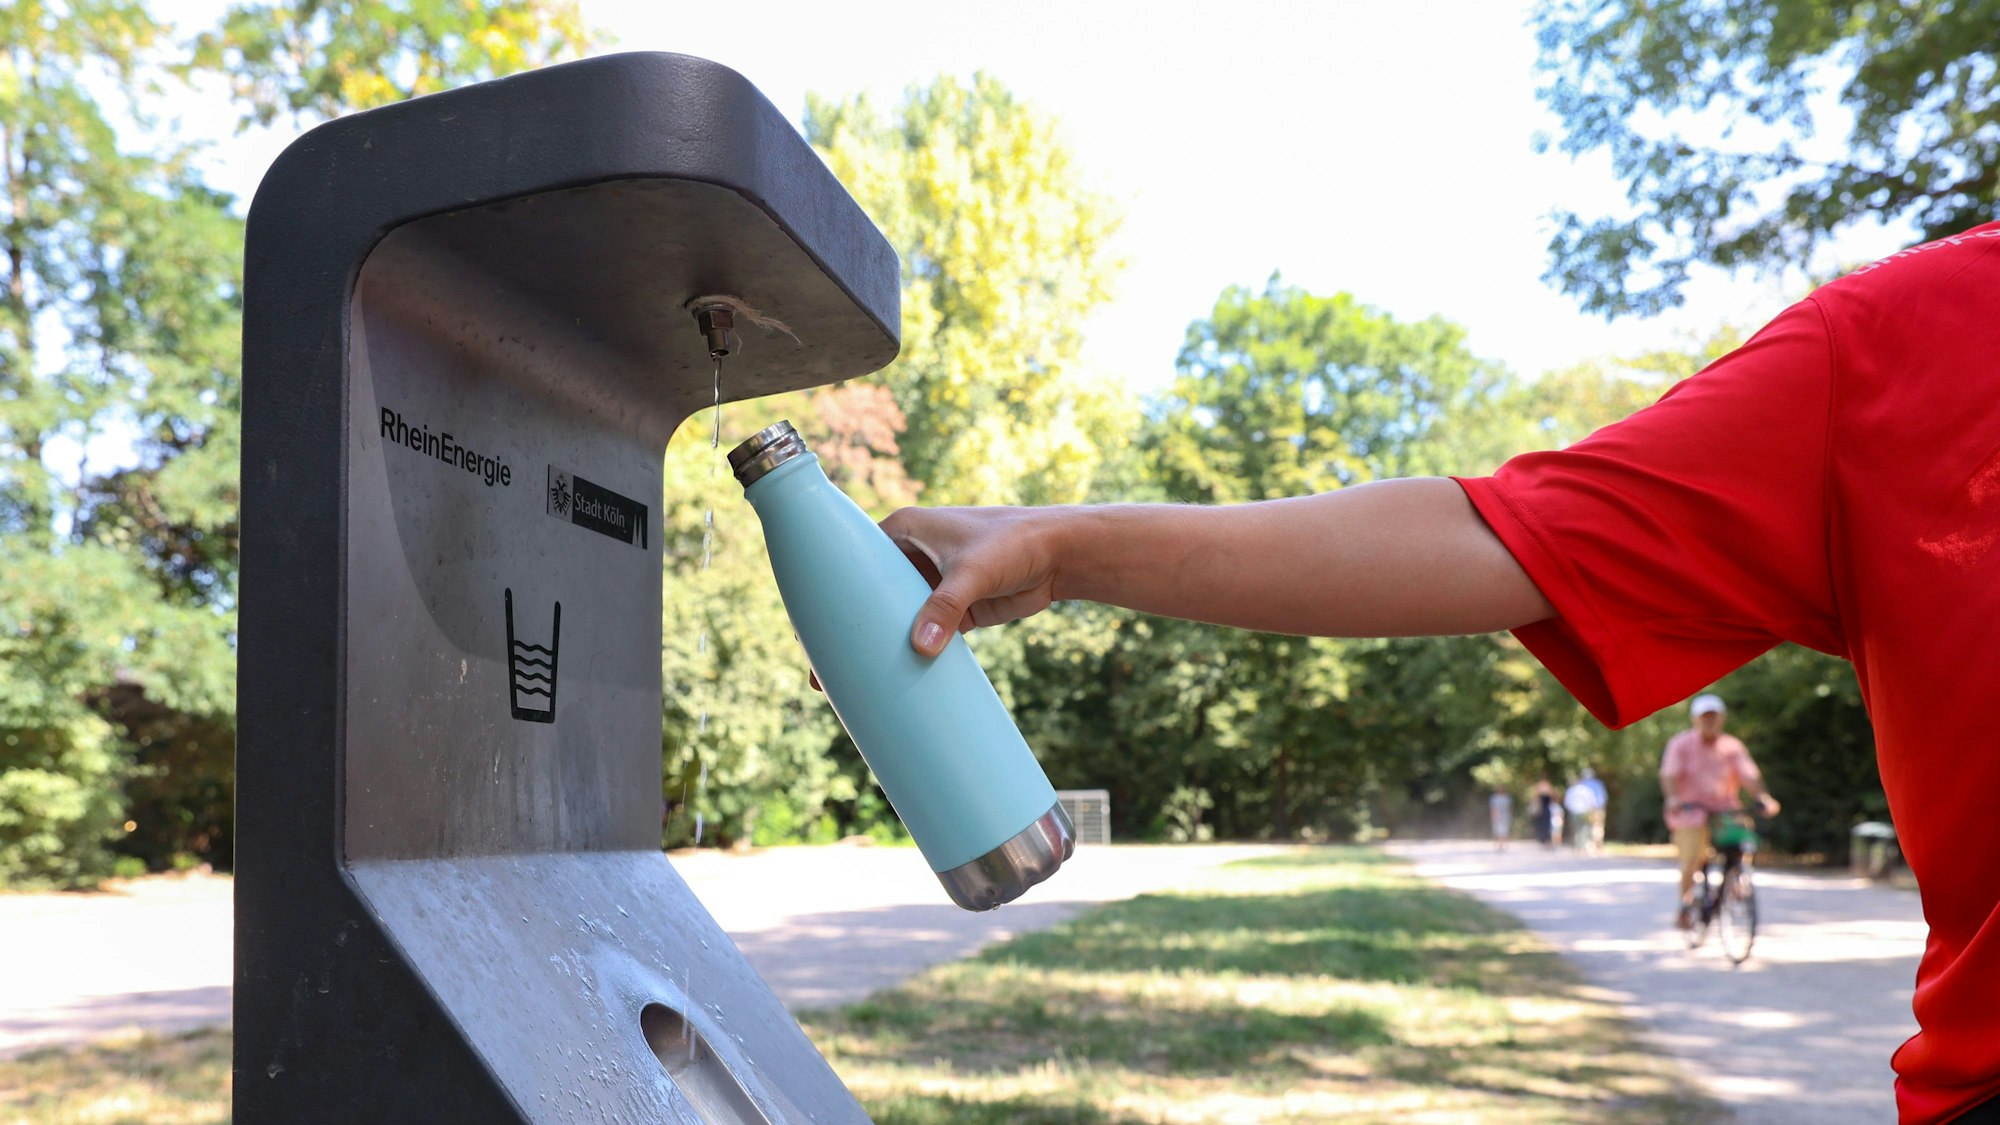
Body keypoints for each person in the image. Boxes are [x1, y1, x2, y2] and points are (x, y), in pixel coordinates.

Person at [876, 223, 2000, 1122]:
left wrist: (1753, 793)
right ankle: (1688, 900)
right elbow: (1502, 537)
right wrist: (1063, 544)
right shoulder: (1915, 339)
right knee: (1700, 853)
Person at [1661, 695, 1778, 926]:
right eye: (1705, 717)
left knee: (1744, 837)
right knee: (1692, 859)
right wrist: (1673, 798)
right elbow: (1669, 774)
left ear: (1721, 718)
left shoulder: (1731, 746)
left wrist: (1763, 798)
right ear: (1695, 719)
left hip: (1725, 811)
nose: (1709, 721)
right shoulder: (1681, 744)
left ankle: (1737, 879)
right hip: (1690, 811)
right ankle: (1685, 905)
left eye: (1713, 716)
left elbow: (1749, 774)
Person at [1563, 768, 1607, 854]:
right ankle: (1596, 846)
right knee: (1595, 827)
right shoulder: (1597, 784)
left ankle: (1584, 846)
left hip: (1584, 810)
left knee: (1582, 828)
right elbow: (1602, 797)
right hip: (1595, 808)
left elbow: (1568, 802)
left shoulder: (1581, 785)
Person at [1531, 778, 1557, 848]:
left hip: (1545, 810)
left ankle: (1546, 840)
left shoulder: (1546, 792)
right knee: (1543, 826)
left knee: (1546, 825)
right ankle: (1544, 840)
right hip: (1542, 810)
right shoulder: (1541, 792)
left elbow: (1553, 799)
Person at [1488, 786, 1513, 851]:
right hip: (1497, 815)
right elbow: (1492, 807)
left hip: (1505, 815)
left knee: (1505, 830)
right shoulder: (1494, 798)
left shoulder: (1507, 797)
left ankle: (1504, 843)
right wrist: (1493, 815)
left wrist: (1510, 815)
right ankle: (1497, 844)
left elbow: (1509, 807)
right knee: (1497, 830)